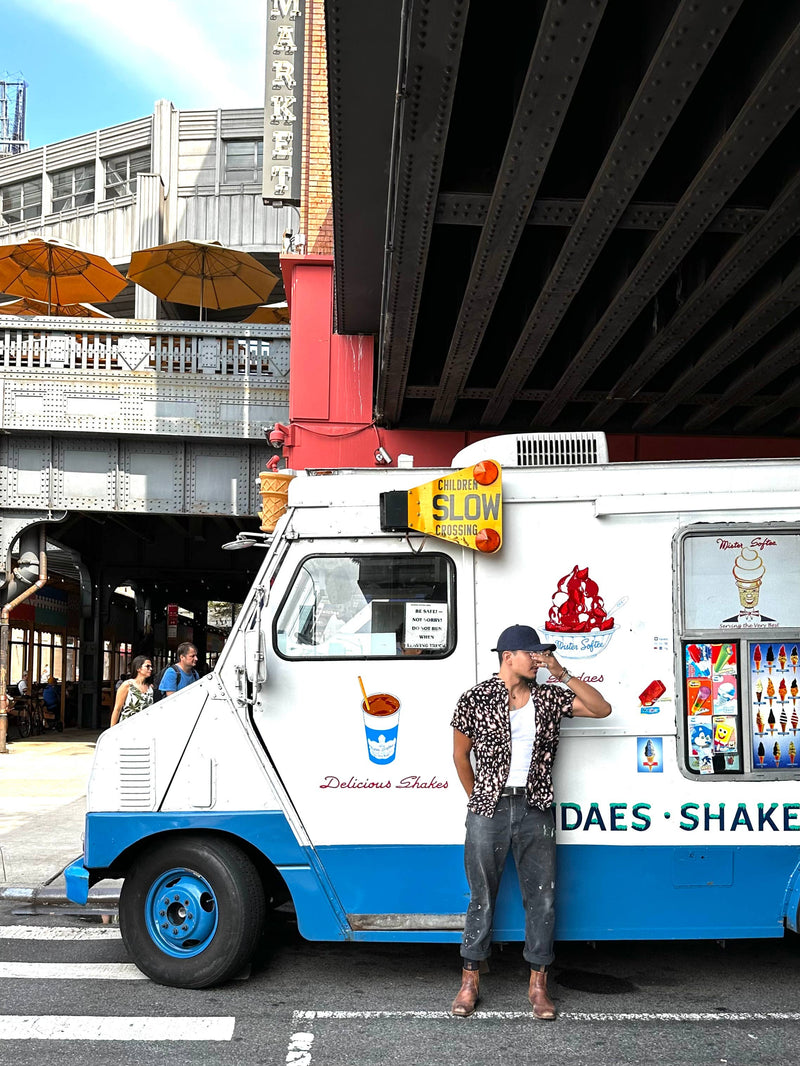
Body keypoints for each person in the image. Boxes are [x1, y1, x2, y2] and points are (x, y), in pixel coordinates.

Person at [450, 624, 612, 1020]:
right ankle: (469, 981)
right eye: (533, 655)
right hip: (488, 809)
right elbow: (460, 756)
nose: (538, 661)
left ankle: (538, 985)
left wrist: (560, 671)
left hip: (536, 809)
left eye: (542, 656)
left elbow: (600, 708)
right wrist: (479, 800)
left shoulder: (550, 698)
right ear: (509, 657)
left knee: (541, 898)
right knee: (481, 896)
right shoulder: (474, 699)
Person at [110, 655, 154, 726]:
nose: (151, 669)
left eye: (151, 666)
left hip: (145, 726)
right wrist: (111, 730)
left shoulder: (150, 687)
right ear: (138, 668)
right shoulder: (127, 685)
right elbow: (117, 709)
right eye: (147, 666)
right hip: (128, 726)